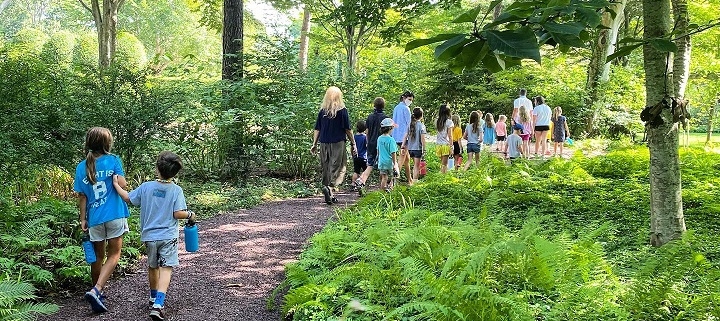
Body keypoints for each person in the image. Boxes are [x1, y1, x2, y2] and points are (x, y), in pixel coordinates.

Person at [112, 151, 194, 321]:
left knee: (153, 266)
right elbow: (178, 213)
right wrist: (190, 215)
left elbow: (128, 198)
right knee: (166, 268)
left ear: (157, 168)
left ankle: (152, 296)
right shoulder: (176, 190)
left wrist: (116, 185)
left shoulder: (146, 187)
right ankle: (158, 304)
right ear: (175, 172)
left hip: (149, 236)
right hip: (168, 236)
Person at [73, 127, 130, 314]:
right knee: (114, 255)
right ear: (107, 143)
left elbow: (82, 197)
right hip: (114, 214)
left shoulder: (81, 167)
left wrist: (83, 219)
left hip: (94, 217)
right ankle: (96, 289)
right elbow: (122, 184)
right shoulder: (113, 160)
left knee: (97, 256)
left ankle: (98, 290)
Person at [311, 86, 357, 204]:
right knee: (339, 166)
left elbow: (317, 129)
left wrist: (314, 144)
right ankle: (330, 187)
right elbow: (348, 129)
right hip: (338, 143)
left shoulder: (322, 112)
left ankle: (330, 194)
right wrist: (353, 143)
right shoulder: (342, 111)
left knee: (326, 167)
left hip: (324, 143)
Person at [355, 97, 388, 189]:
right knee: (382, 165)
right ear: (383, 106)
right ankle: (382, 187)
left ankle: (361, 180)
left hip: (371, 143)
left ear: (374, 105)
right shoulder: (385, 118)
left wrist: (367, 142)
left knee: (370, 164)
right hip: (381, 144)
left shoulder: (370, 117)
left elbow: (367, 132)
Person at [392, 91, 414, 183]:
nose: (410, 102)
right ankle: (393, 181)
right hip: (404, 137)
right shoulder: (406, 109)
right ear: (404, 98)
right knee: (402, 158)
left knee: (407, 159)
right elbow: (409, 124)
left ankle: (410, 180)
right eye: (409, 99)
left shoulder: (396, 107)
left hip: (395, 135)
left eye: (411, 100)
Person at [401, 107, 426, 185]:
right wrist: (424, 149)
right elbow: (423, 139)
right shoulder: (421, 126)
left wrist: (402, 146)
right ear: (421, 116)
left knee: (414, 165)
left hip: (410, 148)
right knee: (416, 166)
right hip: (417, 148)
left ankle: (412, 180)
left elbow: (405, 136)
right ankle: (415, 181)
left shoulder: (410, 125)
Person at [377, 118, 398, 191]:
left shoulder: (379, 138)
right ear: (390, 128)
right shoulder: (391, 140)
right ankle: (392, 190)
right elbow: (393, 152)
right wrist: (395, 163)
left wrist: (378, 159)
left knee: (384, 177)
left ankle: (382, 193)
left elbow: (378, 150)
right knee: (394, 177)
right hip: (389, 162)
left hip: (382, 162)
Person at [435, 104, 454, 173]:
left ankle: (443, 177)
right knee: (444, 164)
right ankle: (443, 178)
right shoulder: (449, 122)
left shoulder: (436, 121)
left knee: (442, 163)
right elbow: (450, 136)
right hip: (446, 145)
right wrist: (451, 147)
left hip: (438, 144)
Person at [351, 120, 368, 189]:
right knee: (366, 171)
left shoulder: (354, 137)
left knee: (356, 171)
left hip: (356, 157)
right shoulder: (365, 137)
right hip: (363, 157)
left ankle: (353, 184)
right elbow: (367, 146)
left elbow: (352, 148)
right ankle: (360, 182)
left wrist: (352, 155)